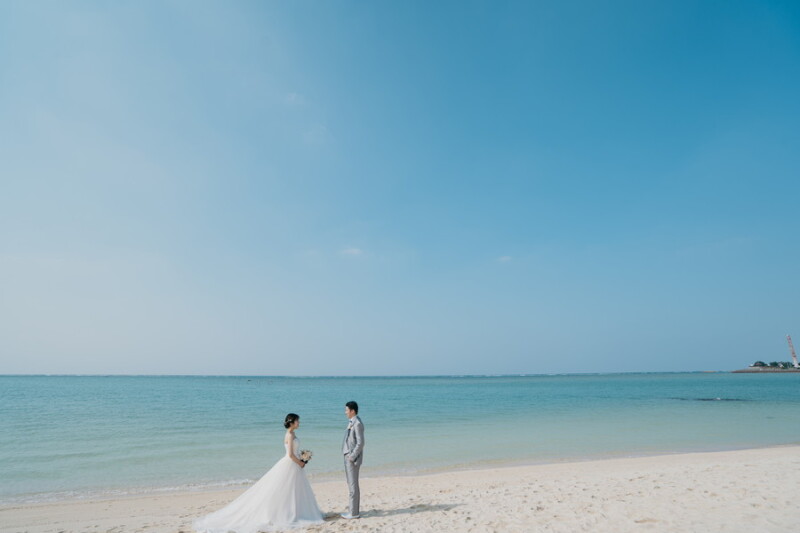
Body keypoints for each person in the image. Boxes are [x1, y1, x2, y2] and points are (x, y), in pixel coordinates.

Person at [193, 414, 324, 532]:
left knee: (294, 490)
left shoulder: (292, 433)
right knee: (284, 489)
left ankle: (297, 512)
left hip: (294, 464)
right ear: (292, 422)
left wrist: (302, 457)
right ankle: (286, 514)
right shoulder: (289, 435)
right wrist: (300, 462)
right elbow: (290, 454)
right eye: (297, 421)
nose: (299, 423)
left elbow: (294, 452)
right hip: (291, 463)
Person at [341, 401, 365, 519]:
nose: (345, 412)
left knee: (353, 485)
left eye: (346, 410)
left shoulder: (357, 423)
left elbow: (361, 443)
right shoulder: (352, 422)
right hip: (347, 456)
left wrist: (352, 456)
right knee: (351, 484)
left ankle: (354, 513)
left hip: (352, 459)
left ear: (352, 411)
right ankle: (353, 510)